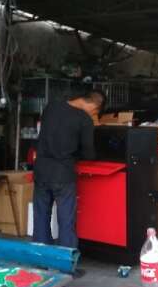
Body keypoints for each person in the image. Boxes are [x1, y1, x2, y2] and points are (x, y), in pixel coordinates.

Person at [32, 90, 106, 248]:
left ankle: (40, 256)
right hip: (63, 174)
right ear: (94, 107)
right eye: (94, 113)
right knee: (66, 221)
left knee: (40, 217)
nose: (92, 114)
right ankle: (66, 259)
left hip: (41, 170)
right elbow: (89, 153)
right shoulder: (84, 119)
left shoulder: (51, 106)